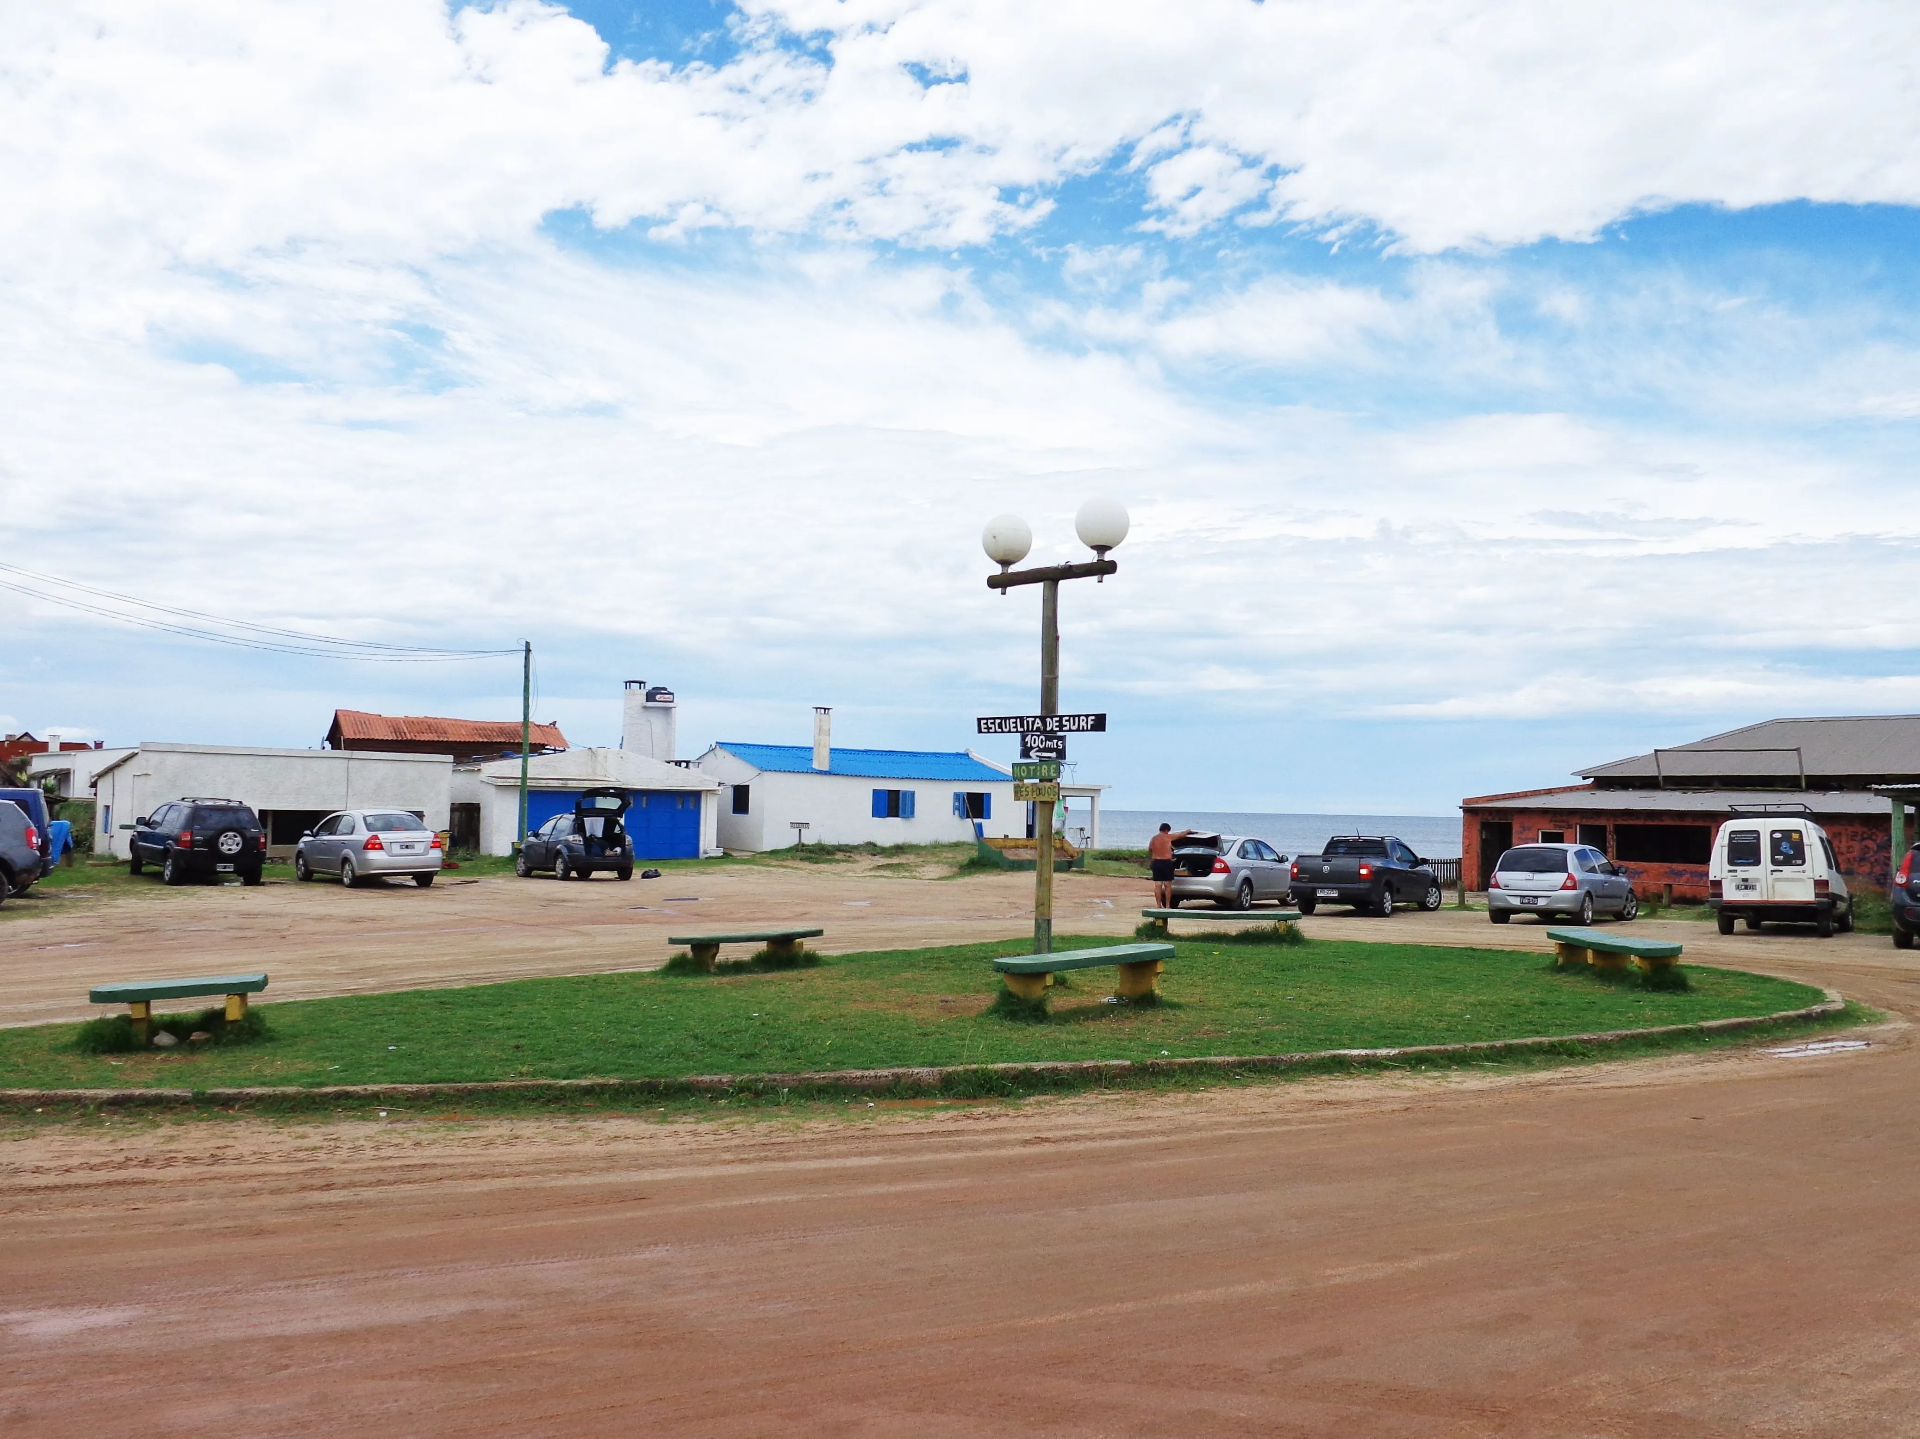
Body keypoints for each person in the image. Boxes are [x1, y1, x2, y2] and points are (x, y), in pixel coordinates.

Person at [1147, 823, 1195, 909]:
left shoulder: (1154, 838)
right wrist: (1187, 831)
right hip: (1166, 862)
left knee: (1158, 885)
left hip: (1157, 862)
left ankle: (1158, 905)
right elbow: (1181, 835)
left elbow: (1150, 849)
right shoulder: (1168, 837)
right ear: (1167, 830)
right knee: (1167, 885)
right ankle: (1168, 905)